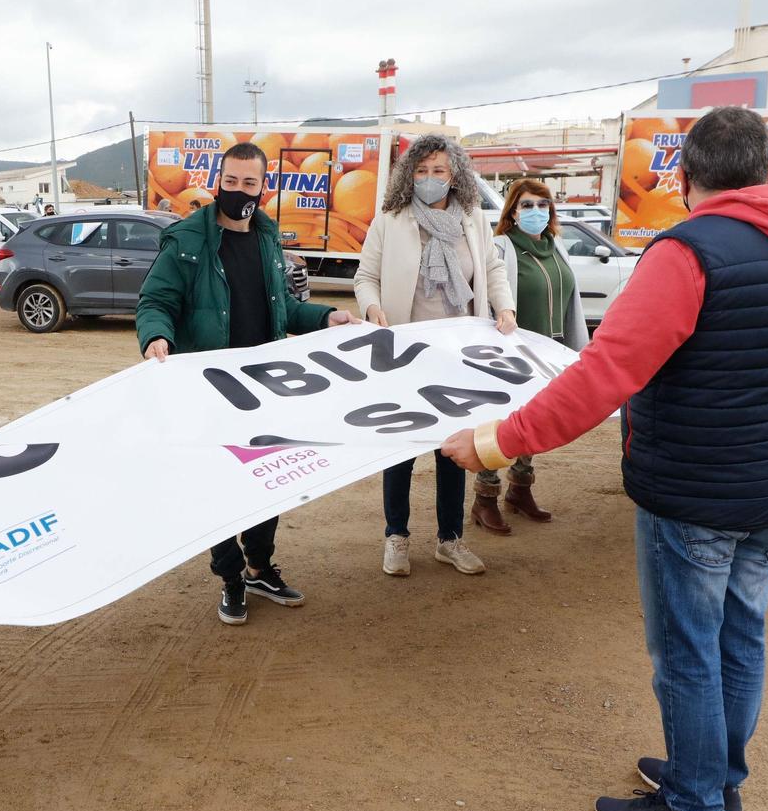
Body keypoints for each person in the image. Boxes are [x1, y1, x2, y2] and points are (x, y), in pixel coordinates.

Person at [441, 107, 768, 811]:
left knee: (688, 650)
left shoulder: (689, 253)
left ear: (687, 177)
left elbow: (603, 375)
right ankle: (717, 784)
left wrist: (495, 443)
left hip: (694, 489)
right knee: (739, 638)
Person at [135, 141, 355, 626]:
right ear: (219, 180)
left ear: (263, 186)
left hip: (264, 390)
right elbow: (155, 302)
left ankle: (259, 567)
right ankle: (231, 577)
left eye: (249, 183)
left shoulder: (267, 238)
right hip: (209, 389)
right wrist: (155, 337)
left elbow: (283, 310)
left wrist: (326, 318)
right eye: (230, 182)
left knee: (265, 484)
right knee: (218, 488)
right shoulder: (188, 240)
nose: (239, 191)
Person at [355, 134, 516, 576]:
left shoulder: (472, 219)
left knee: (454, 448)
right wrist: (373, 308)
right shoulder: (391, 219)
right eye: (422, 170)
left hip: (457, 356)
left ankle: (450, 539)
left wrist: (505, 307)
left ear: (454, 175)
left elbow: (493, 268)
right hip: (405, 353)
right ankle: (397, 537)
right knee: (401, 448)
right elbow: (365, 275)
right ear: (410, 174)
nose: (430, 179)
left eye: (439, 171)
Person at [473, 177, 585, 533]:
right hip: (511, 356)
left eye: (542, 205)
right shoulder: (502, 247)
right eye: (526, 205)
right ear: (513, 211)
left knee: (535, 422)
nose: (535, 212)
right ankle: (485, 497)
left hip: (549, 354)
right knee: (500, 423)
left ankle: (520, 489)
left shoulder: (557, 246)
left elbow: (570, 302)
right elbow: (489, 295)